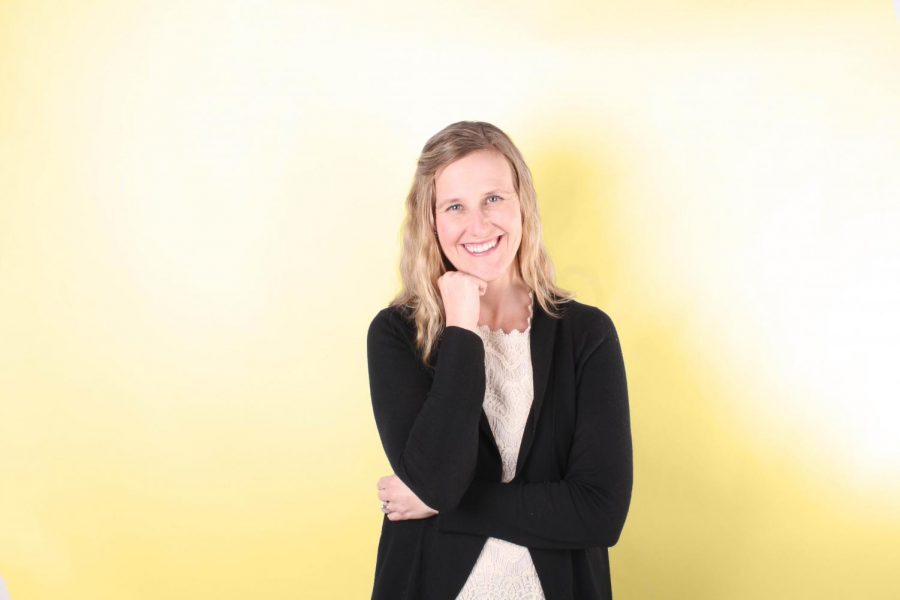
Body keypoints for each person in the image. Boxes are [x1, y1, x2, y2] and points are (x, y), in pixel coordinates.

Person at [366, 121, 633, 599]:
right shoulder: (396, 336)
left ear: (522, 204)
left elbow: (600, 512)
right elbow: (437, 479)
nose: (479, 225)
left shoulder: (587, 334)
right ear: (431, 222)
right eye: (454, 206)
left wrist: (438, 503)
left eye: (493, 198)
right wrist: (462, 327)